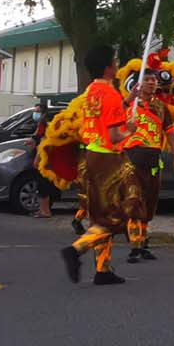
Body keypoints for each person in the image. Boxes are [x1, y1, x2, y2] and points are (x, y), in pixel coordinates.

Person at [61, 43, 137, 287]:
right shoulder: (111, 94)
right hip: (109, 159)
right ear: (108, 67)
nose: (117, 64)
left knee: (100, 213)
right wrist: (131, 130)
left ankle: (102, 269)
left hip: (91, 156)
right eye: (114, 60)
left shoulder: (91, 91)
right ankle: (77, 248)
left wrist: (128, 100)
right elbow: (115, 135)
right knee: (119, 214)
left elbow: (105, 118)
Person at [120, 61, 174, 263]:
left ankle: (143, 242)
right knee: (133, 202)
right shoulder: (129, 104)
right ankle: (134, 246)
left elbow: (171, 133)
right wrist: (130, 99)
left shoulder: (160, 107)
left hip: (153, 159)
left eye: (153, 80)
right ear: (139, 83)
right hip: (131, 159)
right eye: (147, 79)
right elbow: (112, 121)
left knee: (148, 203)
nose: (151, 82)